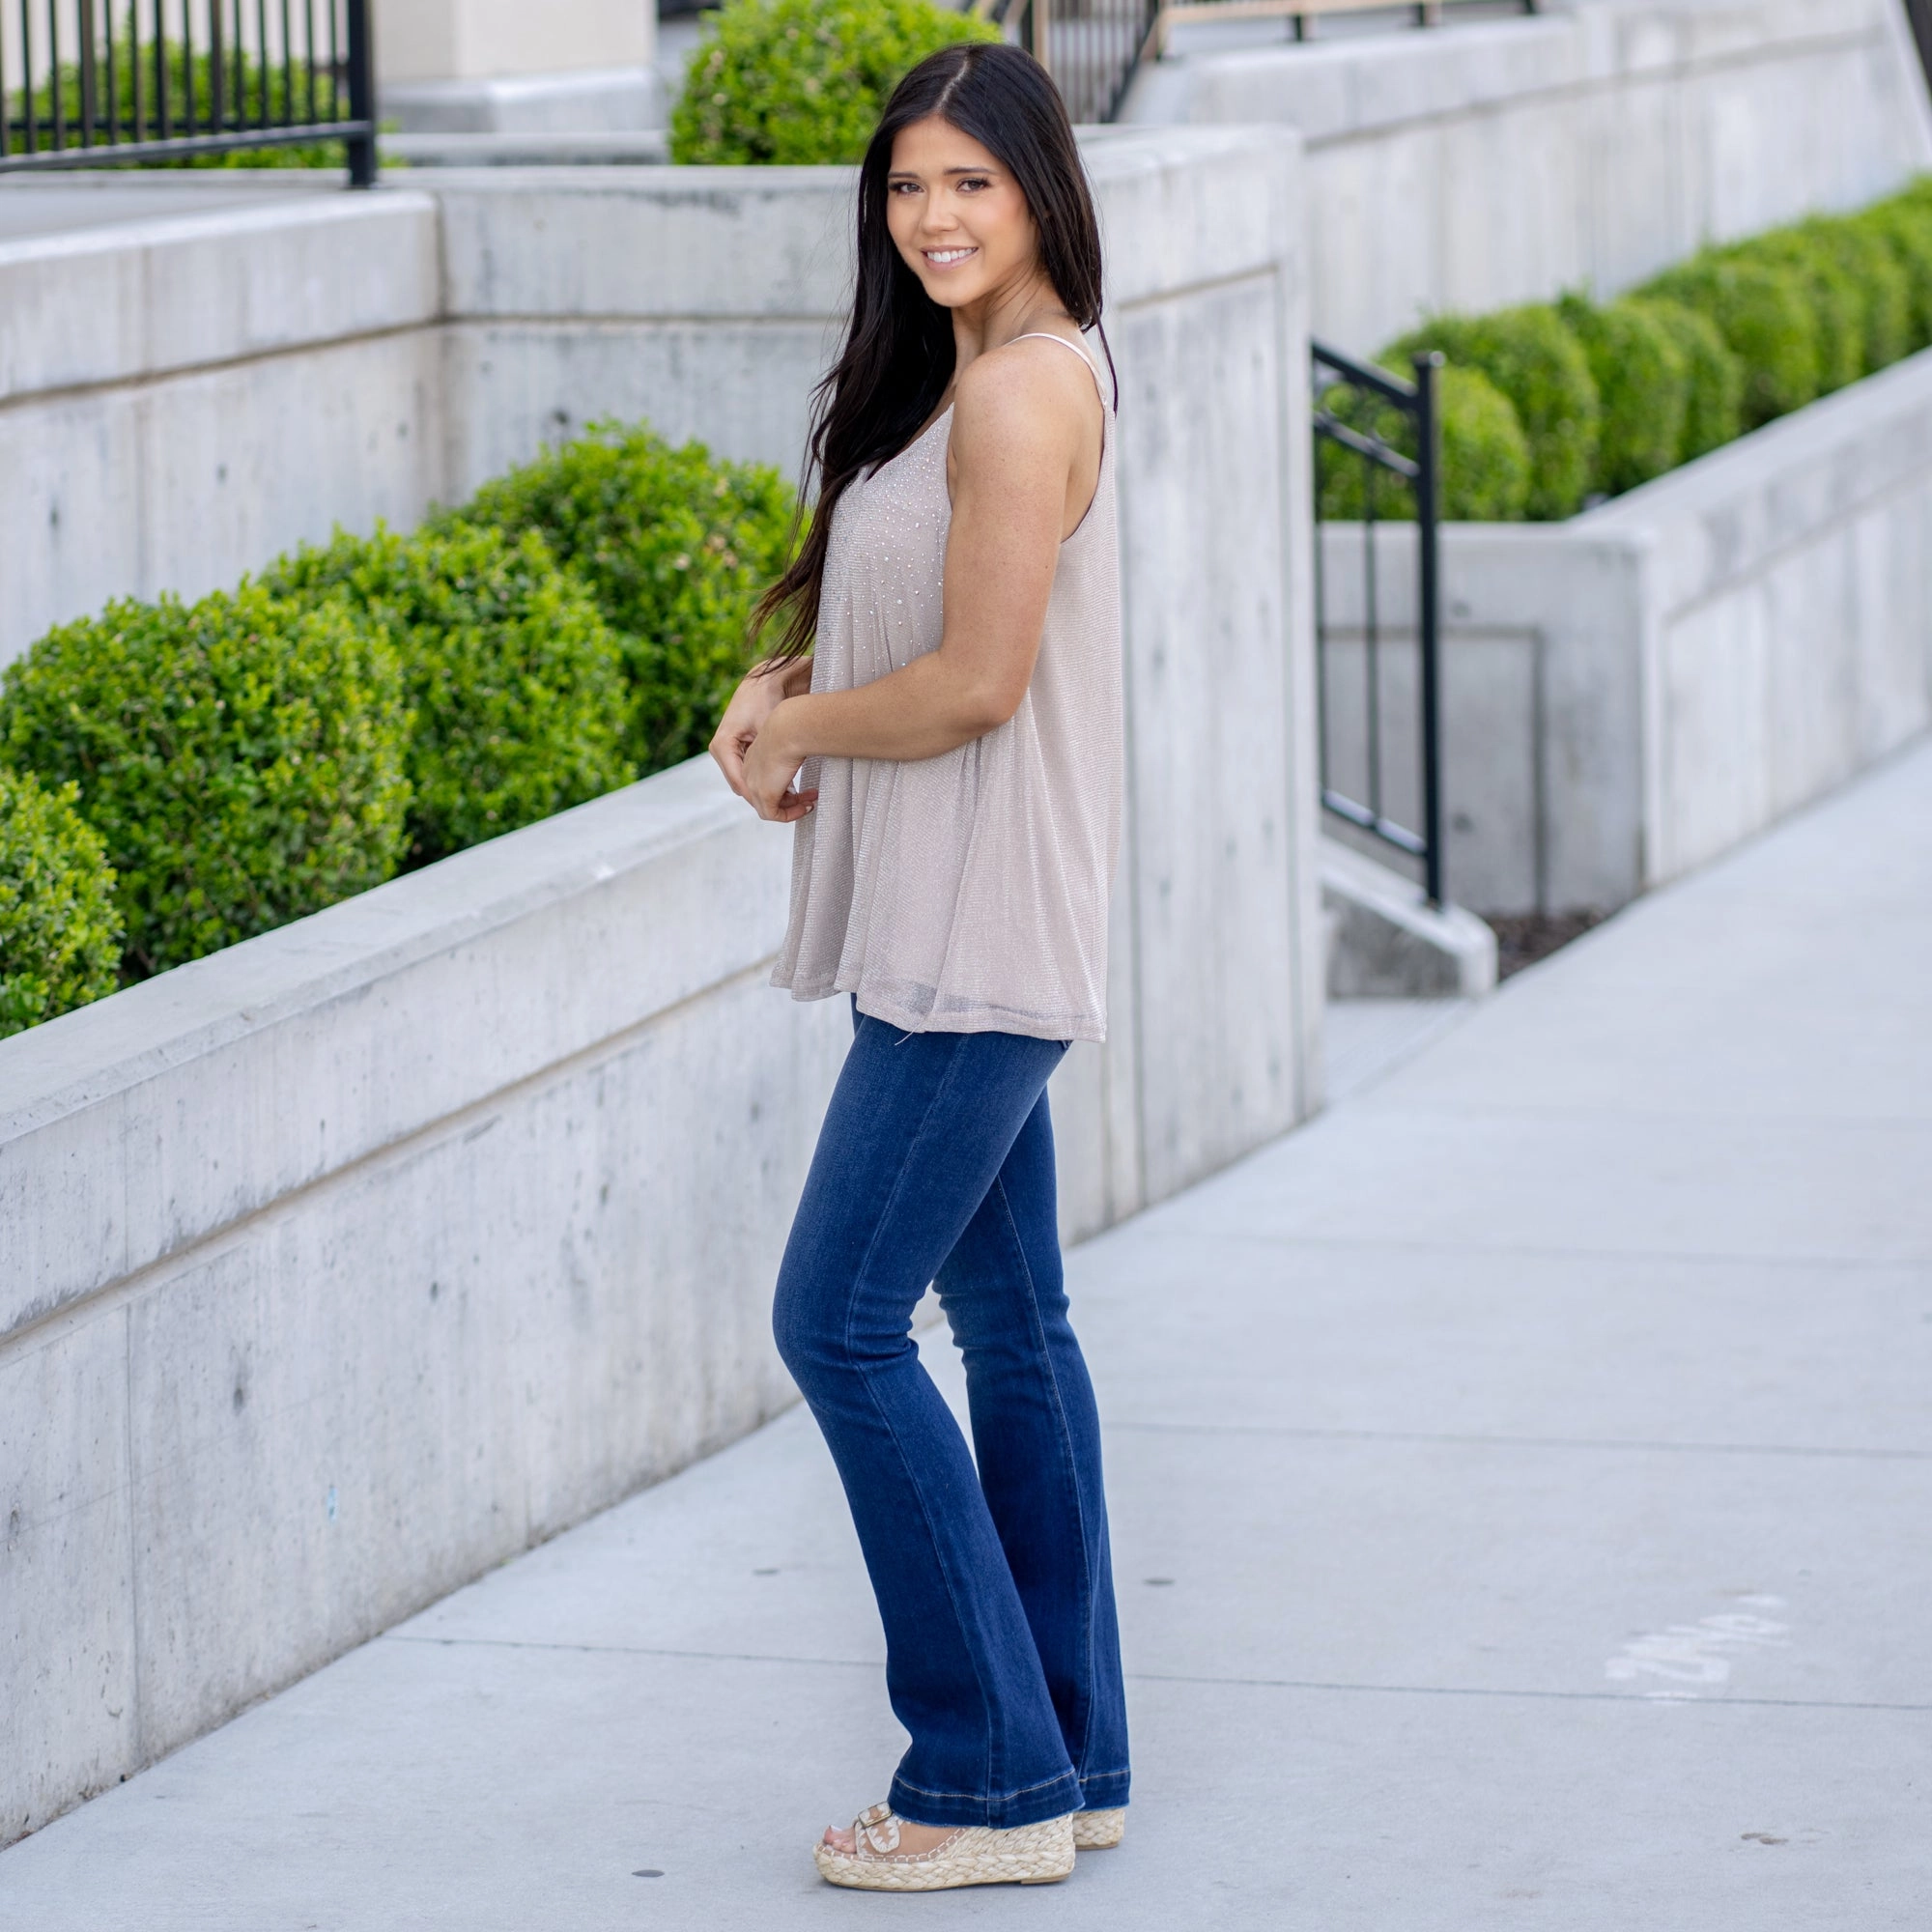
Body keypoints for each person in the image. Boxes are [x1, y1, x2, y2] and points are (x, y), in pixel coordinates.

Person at [708, 39, 1128, 1894]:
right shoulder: (981, 371)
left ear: (1040, 189)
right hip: (957, 919)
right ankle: (1071, 1753)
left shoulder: (1026, 391)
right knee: (1015, 1334)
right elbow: (927, 617)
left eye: (971, 181)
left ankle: (982, 1776)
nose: (933, 215)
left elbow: (977, 682)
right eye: (905, 184)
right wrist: (792, 682)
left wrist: (803, 735)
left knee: (839, 1323)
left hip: (975, 933)